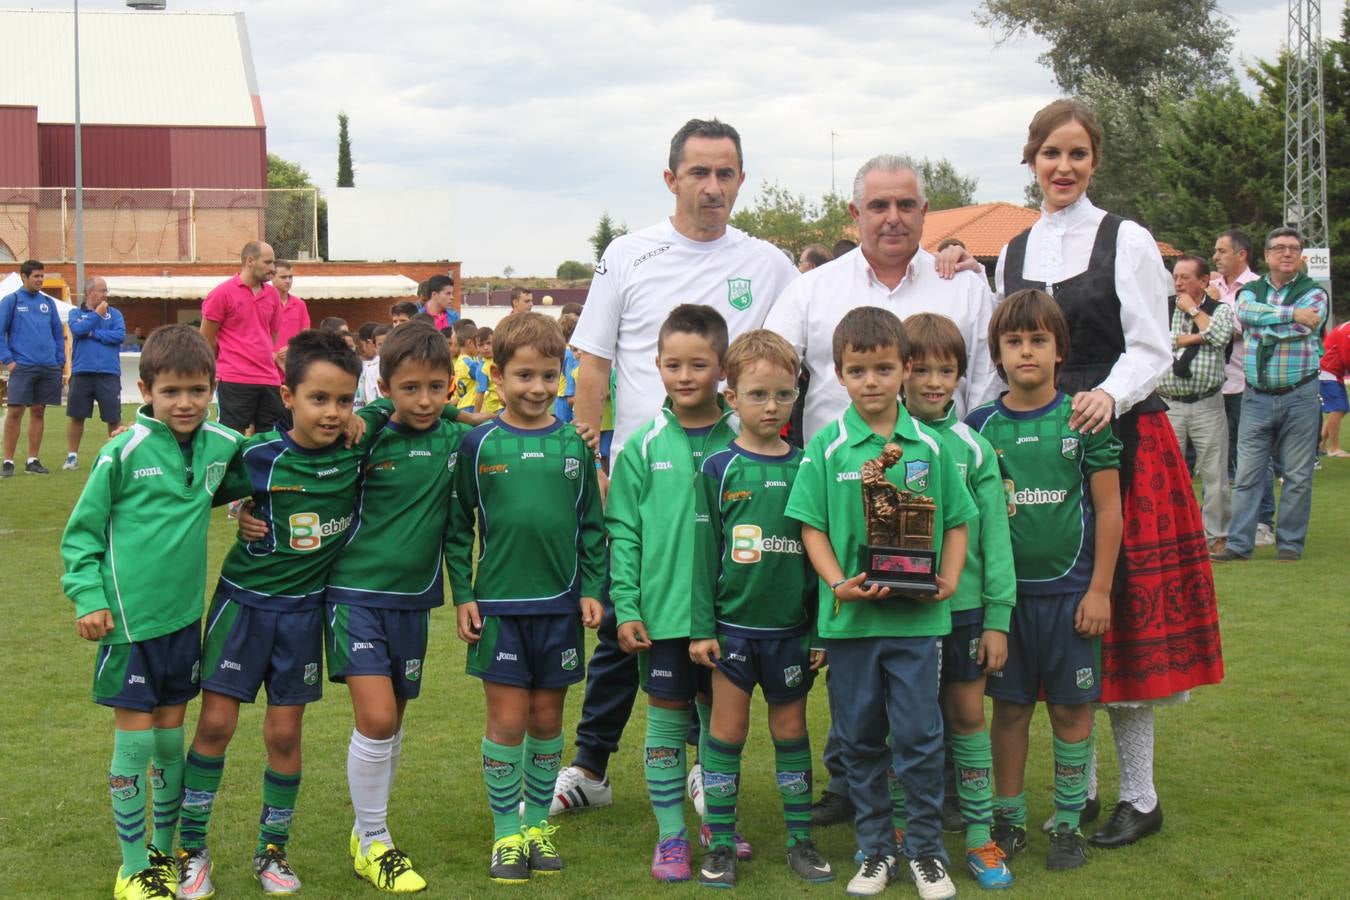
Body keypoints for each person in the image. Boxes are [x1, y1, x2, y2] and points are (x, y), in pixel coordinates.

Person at [994, 99, 1223, 850]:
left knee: (1121, 616)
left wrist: (1104, 396)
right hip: (1039, 451)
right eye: (1051, 154)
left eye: (1078, 155)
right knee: (1061, 616)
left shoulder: (1125, 239)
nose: (1063, 167)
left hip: (1124, 436)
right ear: (1031, 160)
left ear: (1094, 163)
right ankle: (1080, 788)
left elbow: (1152, 346)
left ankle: (1140, 794)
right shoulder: (1014, 250)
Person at [559, 119, 798, 818]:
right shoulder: (629, 255)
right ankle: (590, 765)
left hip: (731, 475)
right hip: (645, 474)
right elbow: (595, 361)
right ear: (672, 179)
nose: (713, 186)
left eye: (726, 173)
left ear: (741, 181)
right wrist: (597, 455)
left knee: (711, 619)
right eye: (699, 172)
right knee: (623, 625)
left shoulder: (769, 264)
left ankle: (701, 767)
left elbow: (799, 347)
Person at [175, 330, 373, 898]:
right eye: (319, 399)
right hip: (243, 607)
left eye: (344, 400)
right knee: (215, 724)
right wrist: (240, 506)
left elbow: (413, 409)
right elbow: (192, 478)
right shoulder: (257, 455)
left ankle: (272, 851)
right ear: (287, 396)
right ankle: (191, 849)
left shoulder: (358, 447)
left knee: (285, 735)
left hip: (304, 615)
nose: (333, 412)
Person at [785, 306, 973, 899]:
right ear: (839, 374)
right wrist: (837, 581)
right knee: (860, 737)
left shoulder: (932, 448)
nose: (872, 381)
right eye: (858, 370)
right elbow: (809, 526)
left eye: (884, 368)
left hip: (919, 621)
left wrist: (947, 576)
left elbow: (961, 520)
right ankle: (873, 850)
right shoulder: (827, 448)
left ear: (905, 369)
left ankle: (924, 852)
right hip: (852, 623)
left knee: (919, 736)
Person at [60, 325, 243, 900]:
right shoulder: (122, 450)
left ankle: (164, 854)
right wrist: (87, 597)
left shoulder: (222, 442)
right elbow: (81, 534)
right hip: (128, 624)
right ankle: (132, 866)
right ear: (145, 391)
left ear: (212, 388)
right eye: (170, 392)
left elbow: (265, 465)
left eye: (196, 390)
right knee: (134, 744)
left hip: (184, 619)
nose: (185, 403)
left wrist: (248, 505)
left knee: (170, 740)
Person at [446, 312, 606, 884]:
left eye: (547, 376)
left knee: (546, 721)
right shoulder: (478, 443)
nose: (536, 388)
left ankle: (537, 826)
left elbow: (592, 523)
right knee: (507, 722)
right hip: (501, 610)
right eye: (523, 377)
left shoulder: (575, 443)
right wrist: (463, 593)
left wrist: (592, 588)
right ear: (497, 374)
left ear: (561, 376)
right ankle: (506, 835)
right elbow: (458, 524)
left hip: (560, 607)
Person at [967, 289, 1122, 873]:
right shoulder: (979, 427)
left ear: (1060, 351)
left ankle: (1066, 820)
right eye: (1014, 341)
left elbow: (1108, 510)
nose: (1026, 351)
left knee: (1069, 711)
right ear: (997, 353)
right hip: (1005, 608)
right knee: (1007, 713)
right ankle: (1007, 819)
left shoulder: (1082, 419)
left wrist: (1100, 589)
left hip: (1071, 599)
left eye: (1039, 340)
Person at [323, 323, 469, 892]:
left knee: (393, 721)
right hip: (355, 595)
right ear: (385, 385)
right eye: (409, 388)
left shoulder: (455, 439)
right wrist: (378, 411)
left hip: (414, 602)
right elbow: (312, 469)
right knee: (377, 719)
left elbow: (462, 524)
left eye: (436, 387)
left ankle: (366, 833)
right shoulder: (366, 436)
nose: (425, 400)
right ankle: (377, 842)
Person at [689, 329, 834, 889]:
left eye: (782, 394)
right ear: (731, 397)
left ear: (797, 395)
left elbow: (821, 555)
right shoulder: (718, 468)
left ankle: (801, 840)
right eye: (756, 395)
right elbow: (703, 557)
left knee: (791, 731)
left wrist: (820, 629)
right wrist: (702, 627)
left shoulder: (808, 467)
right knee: (725, 735)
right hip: (731, 634)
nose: (770, 406)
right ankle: (721, 843)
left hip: (791, 633)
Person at [607, 305, 741, 881]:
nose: (685, 376)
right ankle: (671, 837)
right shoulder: (642, 445)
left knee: (720, 721)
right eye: (673, 365)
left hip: (729, 614)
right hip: (663, 616)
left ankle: (718, 822)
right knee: (665, 719)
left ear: (721, 368)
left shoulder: (743, 440)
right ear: (657, 366)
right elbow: (624, 533)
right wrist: (628, 606)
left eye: (698, 364)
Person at [896, 313, 1015, 890]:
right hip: (901, 609)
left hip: (964, 610)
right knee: (906, 722)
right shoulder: (881, 443)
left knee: (968, 717)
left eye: (948, 370)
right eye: (922, 370)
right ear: (900, 373)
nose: (935, 382)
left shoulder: (973, 446)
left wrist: (998, 618)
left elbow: (995, 539)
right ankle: (901, 832)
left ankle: (978, 837)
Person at [765, 155, 1001, 444]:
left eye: (905, 205)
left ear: (923, 210)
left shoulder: (965, 289)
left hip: (944, 480)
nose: (893, 218)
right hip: (837, 480)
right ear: (855, 213)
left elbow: (987, 390)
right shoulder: (808, 291)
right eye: (879, 206)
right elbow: (765, 374)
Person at [1214, 227, 1329, 563]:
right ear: (1266, 256)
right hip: (1257, 396)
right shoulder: (1251, 290)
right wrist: (1291, 314)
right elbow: (1246, 314)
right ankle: (1238, 544)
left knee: (1297, 474)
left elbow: (1302, 327)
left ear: (1301, 256)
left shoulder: (1315, 293)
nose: (1287, 253)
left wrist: (1265, 327)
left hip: (1300, 394)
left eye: (1294, 248)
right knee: (1247, 473)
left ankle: (1290, 545)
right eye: (1279, 248)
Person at [1158, 255, 1236, 554]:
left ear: (1204, 281)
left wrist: (1192, 311)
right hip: (1169, 404)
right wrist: (1197, 337)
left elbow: (1219, 335)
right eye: (1176, 277)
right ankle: (1173, 537)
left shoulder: (1221, 310)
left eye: (1185, 277)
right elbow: (1160, 341)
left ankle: (1216, 536)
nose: (1178, 283)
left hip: (1208, 404)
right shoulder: (1162, 309)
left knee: (1215, 475)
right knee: (1169, 475)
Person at [201, 242, 286, 435]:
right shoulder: (221, 293)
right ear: (250, 261)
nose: (273, 269)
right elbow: (205, 339)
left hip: (269, 378)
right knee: (231, 437)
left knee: (270, 439)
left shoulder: (273, 294)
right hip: (234, 378)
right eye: (268, 262)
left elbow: (271, 336)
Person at [0, 259, 64, 476]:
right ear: (24, 277)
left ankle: (32, 460)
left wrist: (59, 360)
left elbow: (57, 333)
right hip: (22, 367)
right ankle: (8, 462)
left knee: (38, 411)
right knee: (15, 411)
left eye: (41, 276)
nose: (40, 280)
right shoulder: (12, 300)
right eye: (36, 276)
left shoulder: (48, 302)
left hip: (48, 367)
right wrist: (8, 360)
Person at [1208, 230, 1260, 483]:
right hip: (1214, 382)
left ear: (1242, 254)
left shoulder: (1257, 288)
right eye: (1216, 250)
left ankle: (1257, 514)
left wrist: (1209, 310)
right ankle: (1220, 513)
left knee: (1248, 451)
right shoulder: (1211, 288)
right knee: (1218, 456)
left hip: (1244, 381)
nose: (1215, 256)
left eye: (1222, 251)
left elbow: (1237, 330)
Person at [64, 276, 126, 471]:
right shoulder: (75, 313)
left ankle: (115, 457)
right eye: (102, 290)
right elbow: (78, 329)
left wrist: (94, 333)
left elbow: (119, 335)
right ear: (90, 292)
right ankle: (72, 457)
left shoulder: (115, 314)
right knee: (77, 416)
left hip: (109, 373)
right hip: (82, 372)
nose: (106, 294)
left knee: (113, 417)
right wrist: (96, 316)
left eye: (106, 290)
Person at [271, 260, 311, 377]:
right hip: (268, 372)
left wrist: (291, 349)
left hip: (294, 370)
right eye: (283, 277)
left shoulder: (300, 304)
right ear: (272, 277)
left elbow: (306, 337)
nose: (288, 281)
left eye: (290, 277)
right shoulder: (263, 303)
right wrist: (275, 357)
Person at [1320, 317, 1350, 456]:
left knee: (1339, 408)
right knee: (1339, 407)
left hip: (1330, 371)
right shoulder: (1348, 331)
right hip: (1327, 370)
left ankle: (1321, 443)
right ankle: (1334, 448)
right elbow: (1347, 358)